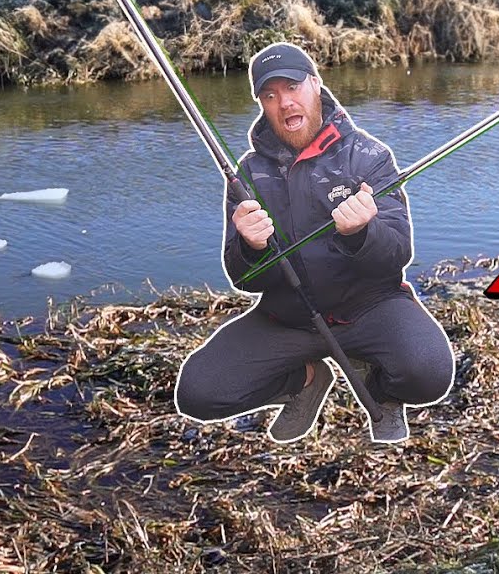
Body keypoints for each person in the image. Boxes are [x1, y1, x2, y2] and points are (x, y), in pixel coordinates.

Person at [174, 42, 455, 444]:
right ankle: (304, 380)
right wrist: (250, 248)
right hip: (288, 316)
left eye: (292, 87)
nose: (284, 103)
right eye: (269, 95)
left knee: (428, 373)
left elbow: (398, 251)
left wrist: (362, 233)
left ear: (316, 85)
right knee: (198, 393)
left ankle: (378, 385)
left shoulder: (369, 157)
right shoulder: (247, 174)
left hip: (370, 307)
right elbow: (243, 278)